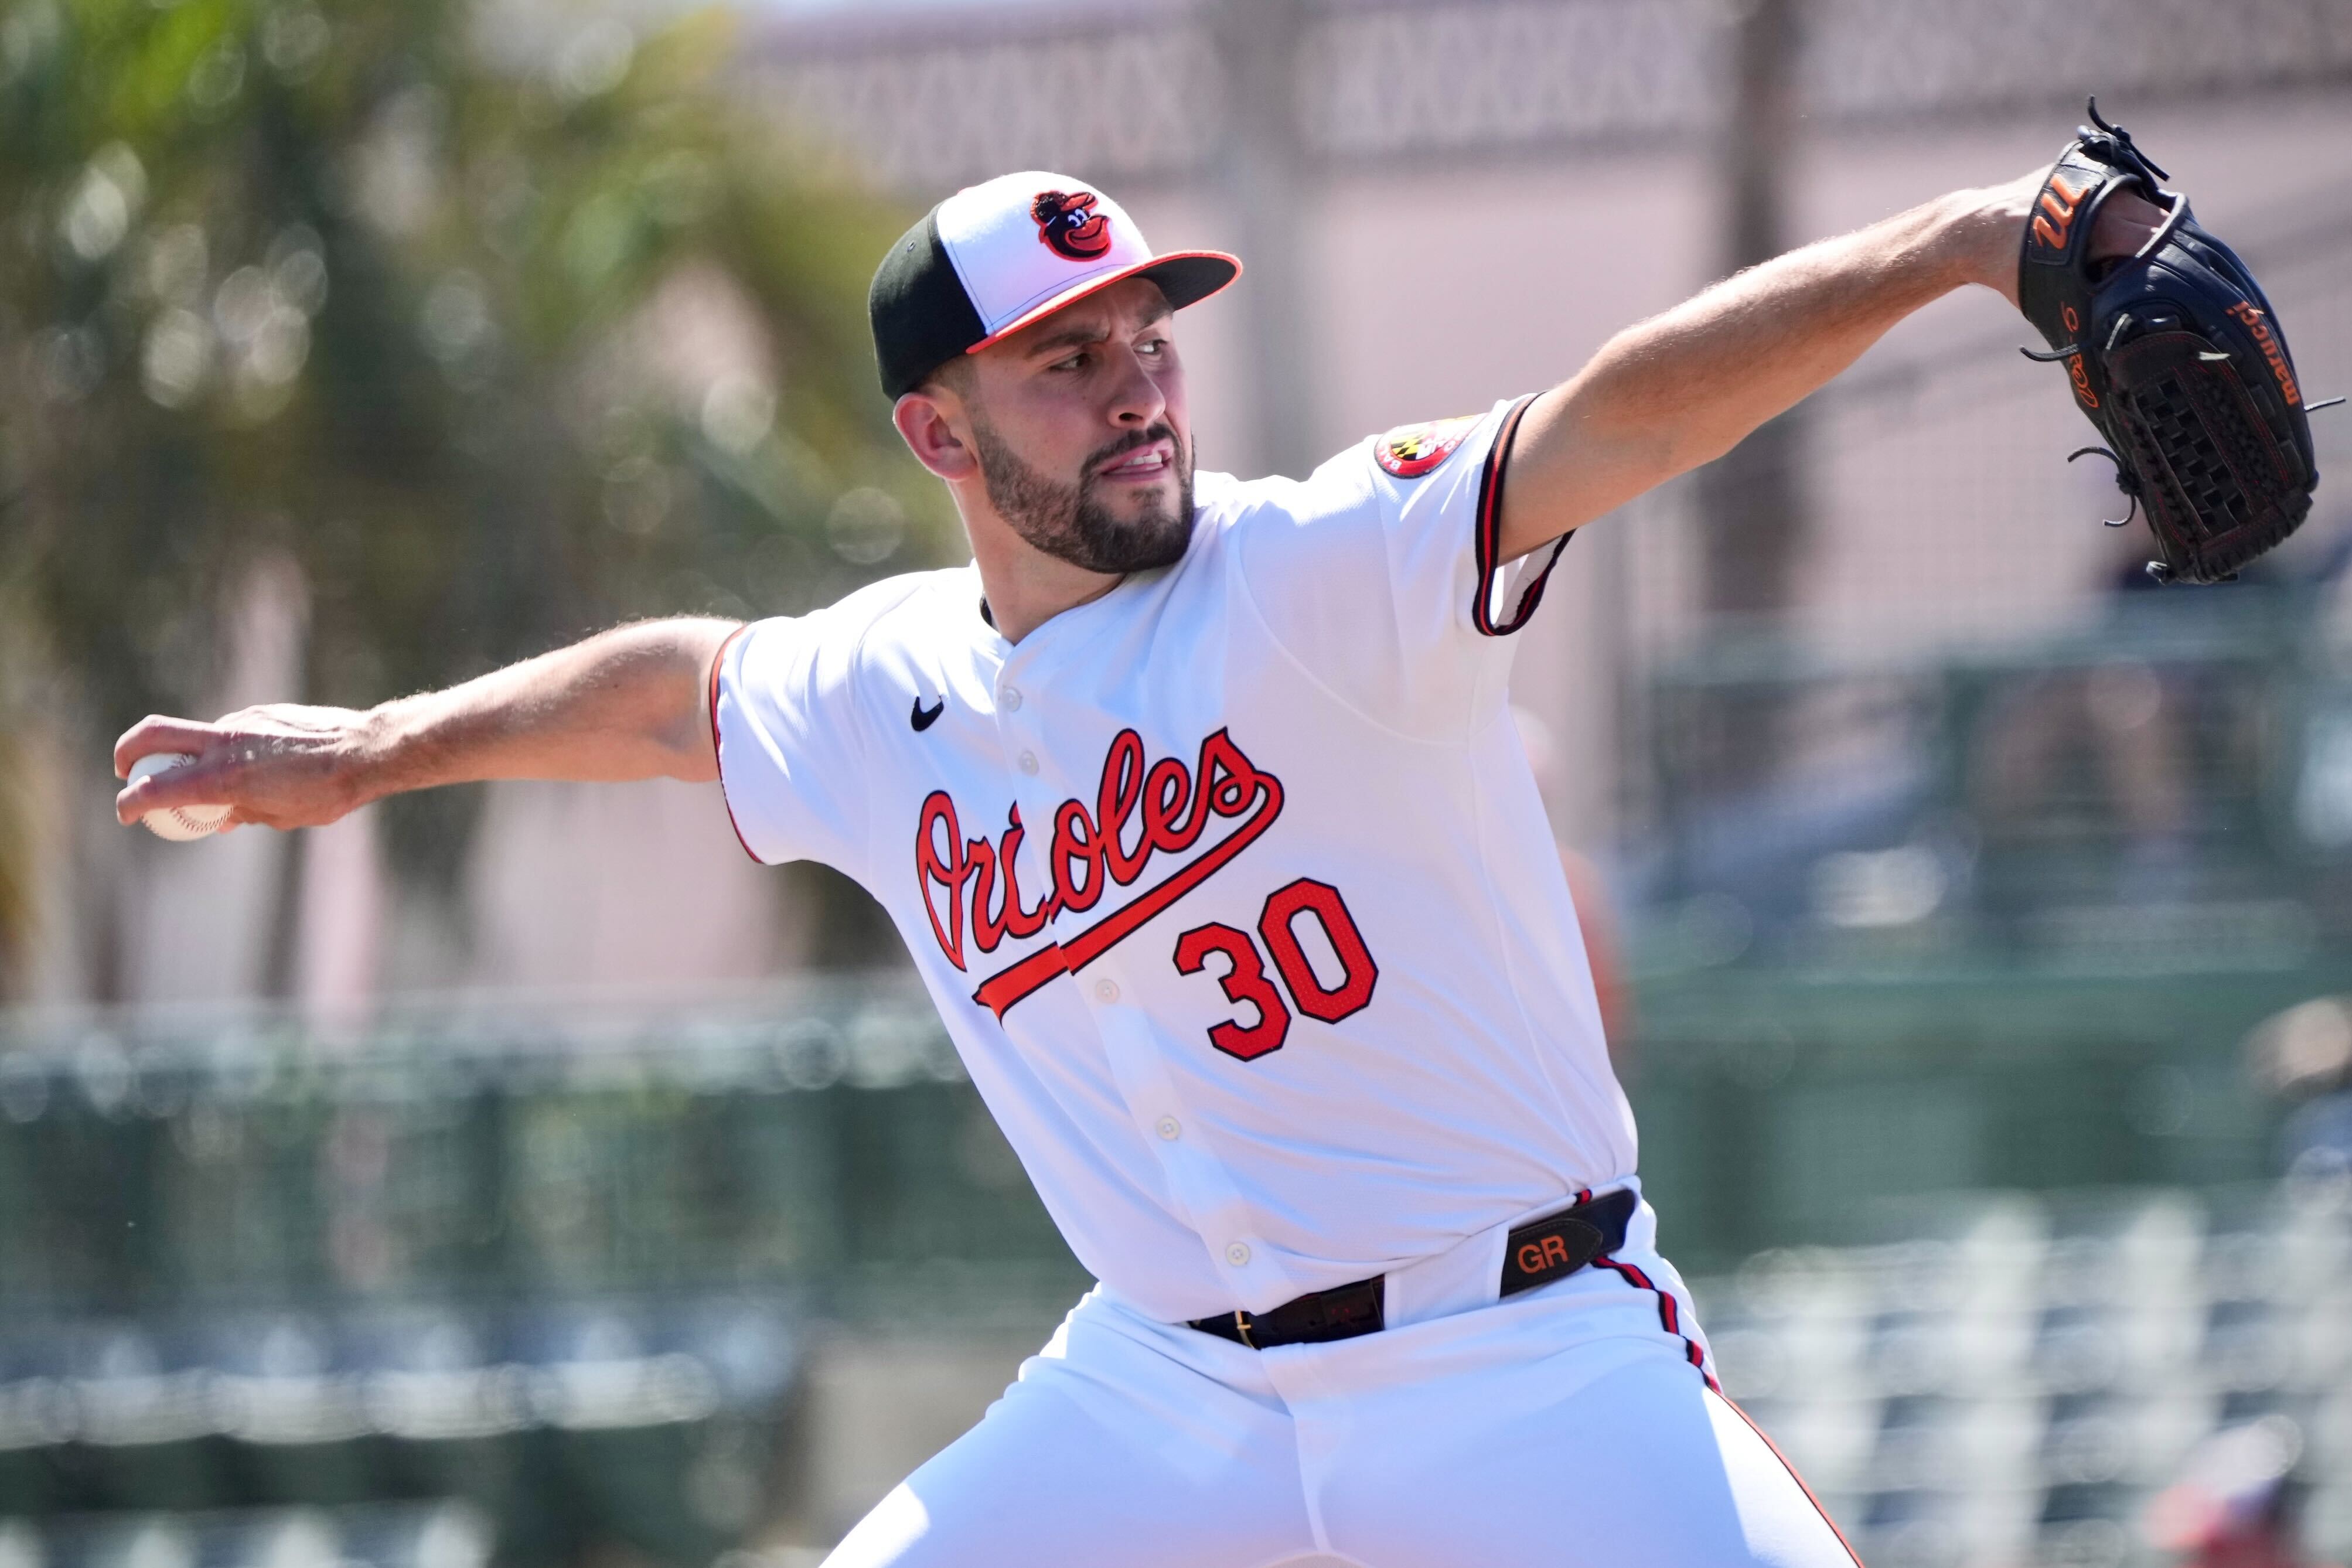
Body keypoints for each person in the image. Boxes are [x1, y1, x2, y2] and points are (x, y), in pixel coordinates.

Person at [116, 161, 2166, 1566]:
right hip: (1171, 1385)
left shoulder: (1322, 571)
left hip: (1519, 1345)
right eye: (1066, 355)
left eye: (1147, 333)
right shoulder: (883, 687)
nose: (1136, 383)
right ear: (941, 434)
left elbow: (1613, 420)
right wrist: (373, 749)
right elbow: (680, 689)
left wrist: (1970, 243)